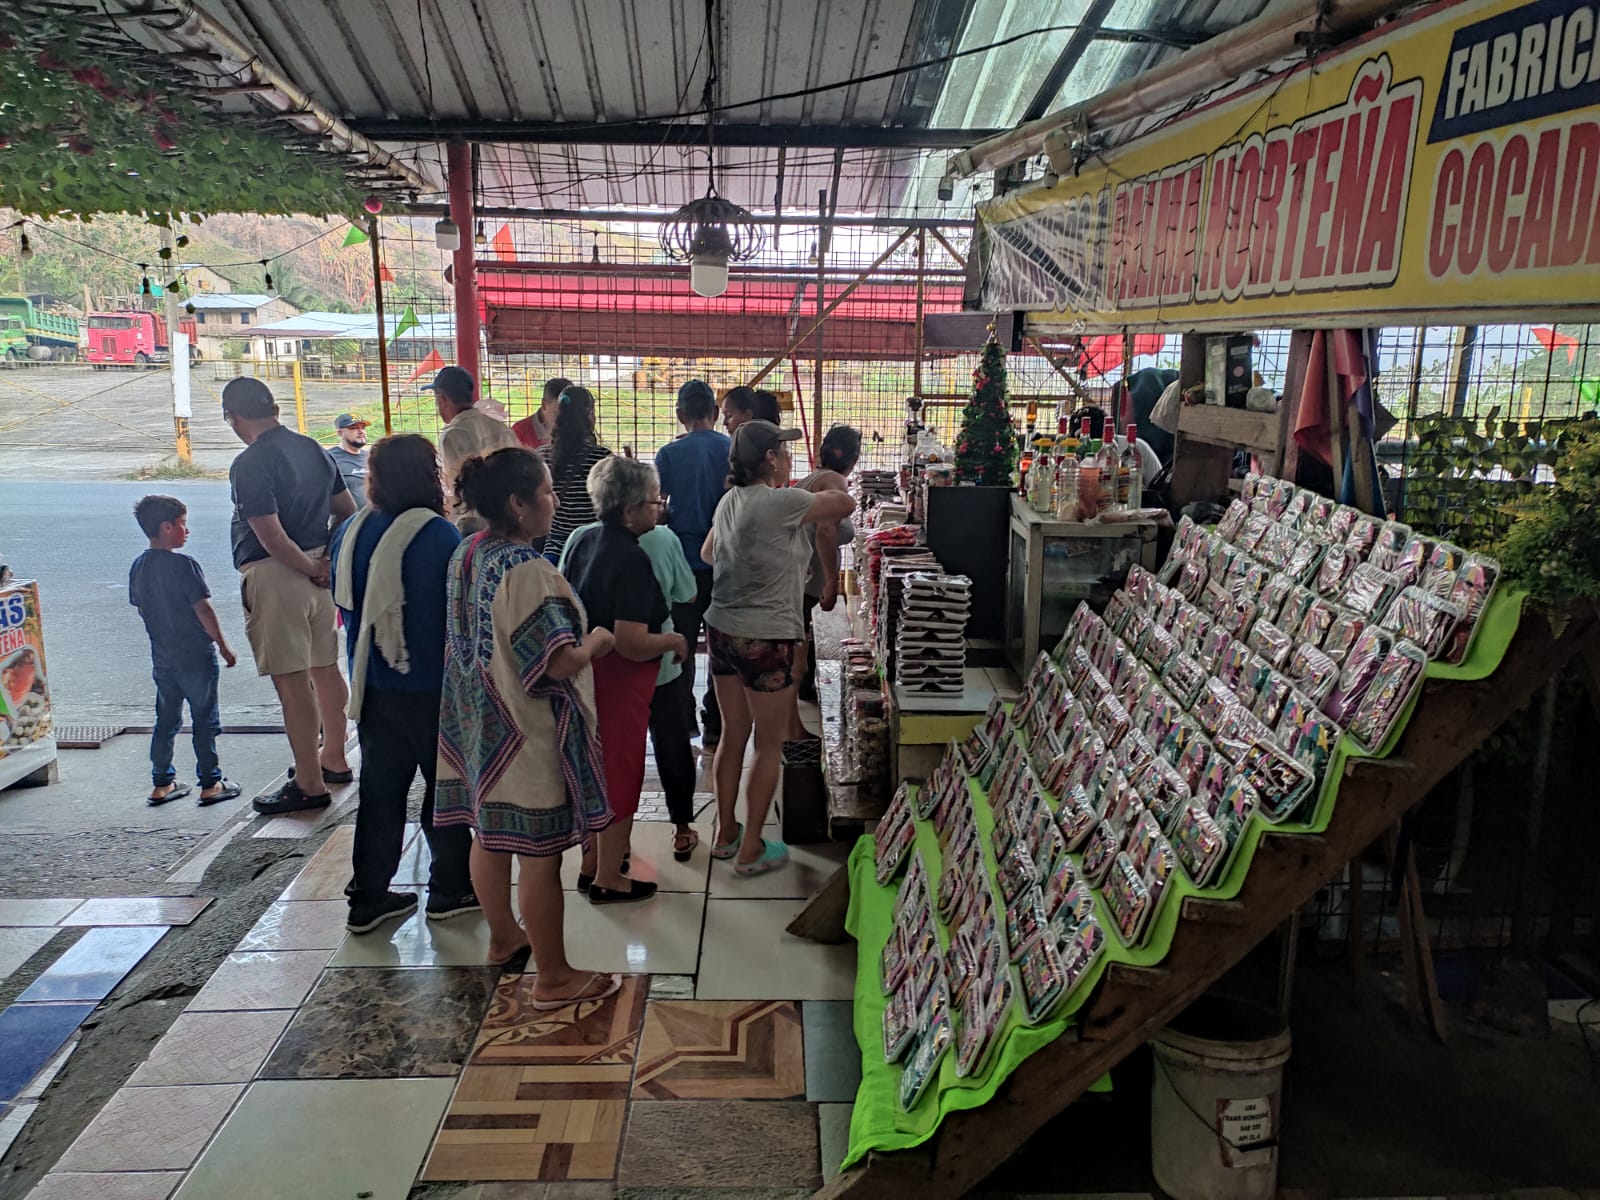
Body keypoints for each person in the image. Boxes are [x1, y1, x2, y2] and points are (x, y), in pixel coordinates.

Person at [435, 447, 622, 1006]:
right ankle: (555, 978)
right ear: (518, 504)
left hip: (476, 727)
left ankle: (502, 938)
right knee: (540, 856)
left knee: (488, 834)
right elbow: (558, 662)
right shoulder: (529, 571)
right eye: (545, 491)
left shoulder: (467, 552)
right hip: (523, 731)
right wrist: (598, 642)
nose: (555, 500)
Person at [329, 434, 476, 934]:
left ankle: (368, 897)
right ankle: (450, 888)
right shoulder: (438, 535)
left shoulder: (351, 530)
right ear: (429, 476)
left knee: (380, 792)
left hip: (371, 685)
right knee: (445, 788)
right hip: (431, 686)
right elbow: (457, 614)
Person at [702, 420, 856, 876]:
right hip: (766, 637)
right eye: (784, 452)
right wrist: (828, 478)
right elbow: (844, 503)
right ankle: (751, 848)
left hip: (722, 630)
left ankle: (725, 833)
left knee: (733, 734)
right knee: (769, 745)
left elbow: (710, 553)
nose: (789, 459)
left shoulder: (729, 501)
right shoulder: (780, 502)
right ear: (770, 459)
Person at [221, 377, 357, 815]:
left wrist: (307, 566)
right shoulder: (314, 449)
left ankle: (309, 781)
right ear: (275, 409)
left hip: (276, 575)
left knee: (293, 681)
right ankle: (334, 756)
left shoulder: (250, 462)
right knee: (325, 668)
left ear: (232, 417)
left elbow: (269, 533)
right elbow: (347, 512)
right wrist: (325, 562)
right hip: (319, 576)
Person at [561, 457, 688, 899]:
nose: (659, 508)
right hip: (619, 680)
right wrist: (672, 641)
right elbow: (631, 642)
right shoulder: (631, 558)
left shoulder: (585, 540)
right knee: (620, 771)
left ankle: (592, 862)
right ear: (629, 510)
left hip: (585, 675)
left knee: (595, 769)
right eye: (653, 502)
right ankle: (609, 878)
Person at [129, 496, 241, 808]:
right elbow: (204, 609)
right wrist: (224, 646)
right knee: (205, 719)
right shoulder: (184, 565)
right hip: (196, 655)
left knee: (166, 719)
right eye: (182, 524)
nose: (187, 531)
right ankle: (211, 782)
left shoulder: (138, 567)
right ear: (166, 528)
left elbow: (142, 609)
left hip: (163, 657)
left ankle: (162, 782)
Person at [655, 379, 728, 748]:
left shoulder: (668, 454)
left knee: (681, 644)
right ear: (715, 412)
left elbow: (660, 510)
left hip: (682, 564)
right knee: (720, 646)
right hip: (724, 563)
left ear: (680, 414)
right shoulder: (731, 449)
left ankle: (684, 722)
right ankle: (715, 721)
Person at [795, 424, 862, 703]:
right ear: (851, 458)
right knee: (797, 633)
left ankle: (800, 688)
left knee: (801, 628)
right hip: (802, 574)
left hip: (802, 573)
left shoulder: (816, 478)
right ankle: (791, 700)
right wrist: (832, 583)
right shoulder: (834, 481)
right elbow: (825, 530)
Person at [426, 365, 519, 527]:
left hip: (475, 522)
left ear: (442, 398)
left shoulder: (452, 435)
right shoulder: (501, 428)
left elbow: (456, 488)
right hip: (509, 515)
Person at [540, 384, 612, 562]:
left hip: (554, 551)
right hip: (593, 550)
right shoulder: (602, 459)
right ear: (590, 415)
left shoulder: (541, 456)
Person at [512, 375, 573, 451]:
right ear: (544, 405)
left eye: (572, 412)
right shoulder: (519, 432)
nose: (567, 418)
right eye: (559, 414)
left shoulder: (579, 428)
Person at [327, 413, 371, 504]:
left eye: (363, 428)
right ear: (340, 433)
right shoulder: (330, 458)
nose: (361, 431)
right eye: (354, 428)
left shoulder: (370, 457)